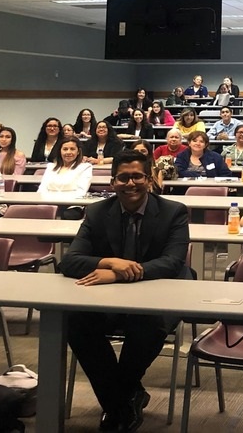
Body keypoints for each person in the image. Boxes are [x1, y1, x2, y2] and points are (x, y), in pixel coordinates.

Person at [59, 149, 191, 432]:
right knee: (74, 322)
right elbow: (70, 260)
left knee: (147, 325)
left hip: (161, 295)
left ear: (149, 179)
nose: (130, 184)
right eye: (123, 178)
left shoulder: (173, 212)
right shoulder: (97, 212)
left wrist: (120, 275)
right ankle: (124, 401)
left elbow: (172, 262)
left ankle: (116, 405)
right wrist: (109, 262)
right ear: (112, 181)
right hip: (111, 300)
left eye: (137, 177)